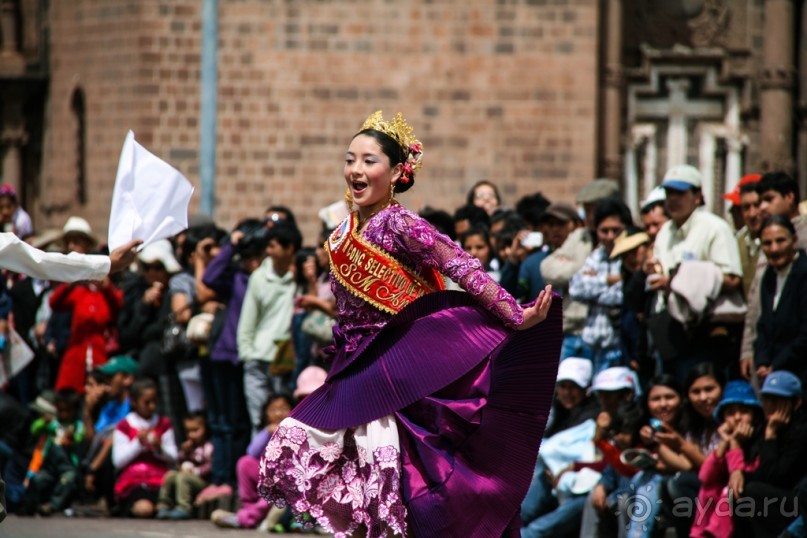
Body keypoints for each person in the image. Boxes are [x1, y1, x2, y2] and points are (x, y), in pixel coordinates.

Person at [258, 111, 560, 537]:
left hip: (402, 371)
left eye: (368, 161)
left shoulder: (399, 223)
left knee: (404, 489)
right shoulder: (344, 231)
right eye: (350, 159)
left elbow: (459, 265)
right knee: (318, 459)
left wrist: (514, 312)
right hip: (354, 369)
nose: (355, 170)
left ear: (398, 171)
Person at [237, 221, 302, 433]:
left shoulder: (298, 279)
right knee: (259, 421)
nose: (268, 251)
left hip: (284, 361)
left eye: (273, 246)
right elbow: (248, 321)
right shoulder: (259, 278)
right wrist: (248, 355)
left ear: (289, 248)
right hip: (258, 359)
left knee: (286, 423)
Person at [112, 378, 177, 518]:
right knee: (144, 509)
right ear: (134, 402)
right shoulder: (125, 425)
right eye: (147, 402)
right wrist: (138, 443)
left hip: (160, 479)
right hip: (134, 481)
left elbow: (174, 456)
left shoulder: (163, 424)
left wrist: (159, 448)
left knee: (161, 505)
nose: (152, 406)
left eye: (154, 401)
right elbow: (117, 461)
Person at [754, 215, 807, 385]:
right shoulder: (769, 276)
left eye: (780, 241)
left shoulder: (803, 274)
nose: (774, 249)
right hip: (774, 374)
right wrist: (762, 361)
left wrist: (777, 364)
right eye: (767, 243)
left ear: (794, 241)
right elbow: (763, 325)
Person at [155, 411, 213, 520]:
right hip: (187, 477)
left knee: (182, 477)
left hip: (202, 481)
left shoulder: (208, 447)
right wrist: (184, 452)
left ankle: (184, 507)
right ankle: (164, 504)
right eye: (188, 431)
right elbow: (179, 461)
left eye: (195, 430)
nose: (191, 435)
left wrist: (196, 471)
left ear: (205, 429)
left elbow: (210, 466)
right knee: (171, 474)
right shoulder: (189, 447)